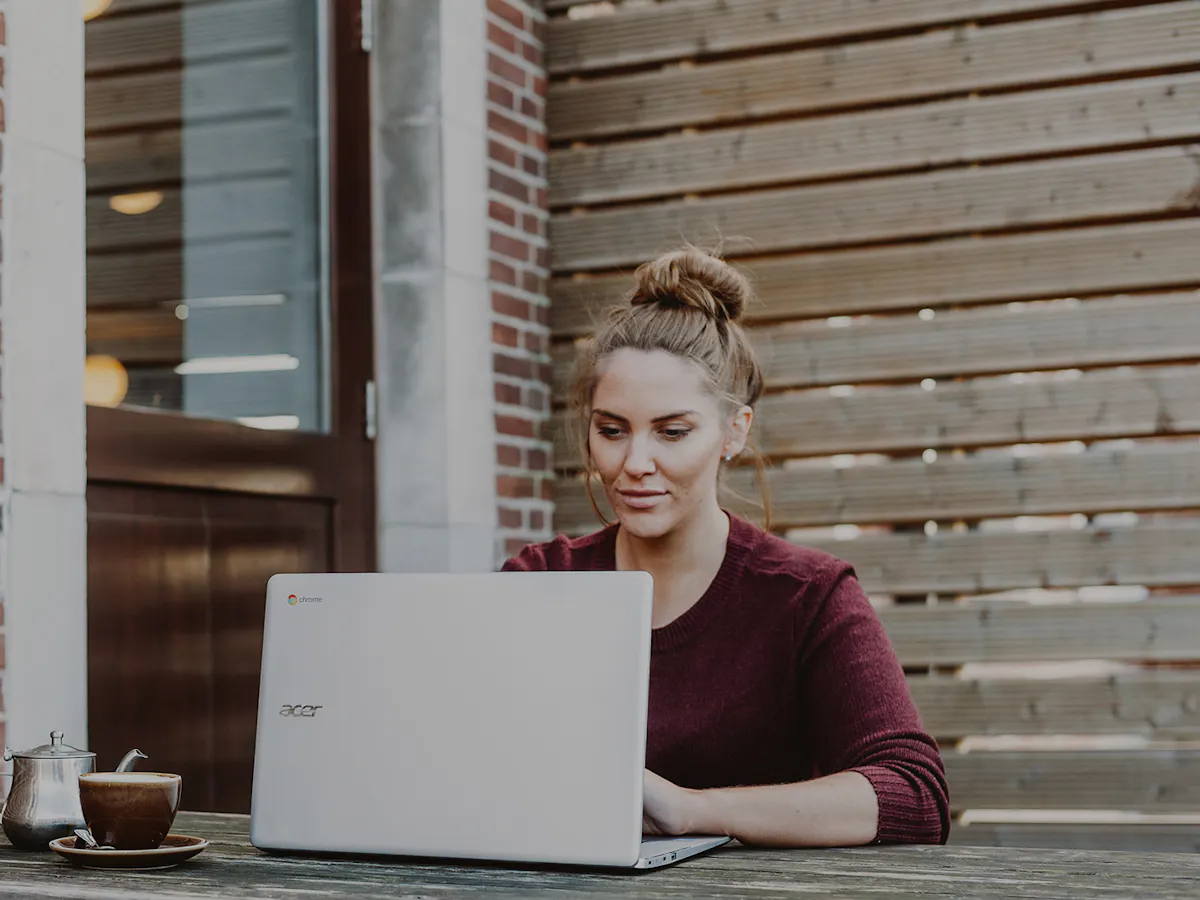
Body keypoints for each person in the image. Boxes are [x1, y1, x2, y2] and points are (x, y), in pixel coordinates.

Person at [502, 248, 949, 847]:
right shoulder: (540, 580)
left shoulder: (806, 595)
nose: (634, 464)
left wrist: (690, 810)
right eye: (611, 430)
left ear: (733, 432)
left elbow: (914, 794)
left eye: (673, 431)